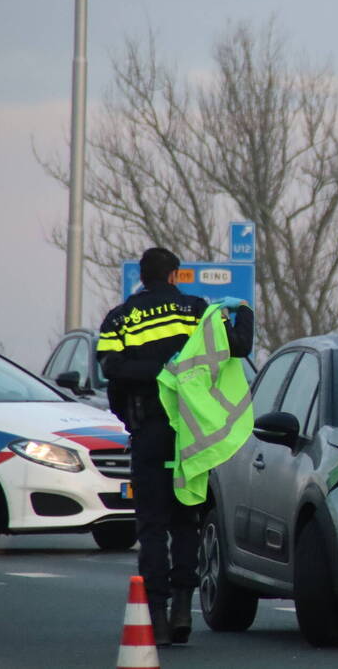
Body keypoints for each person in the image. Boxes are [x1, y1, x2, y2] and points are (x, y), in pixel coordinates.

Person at [97, 247, 254, 646]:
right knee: (187, 522)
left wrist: (150, 381)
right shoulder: (197, 310)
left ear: (142, 277)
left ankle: (157, 617)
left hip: (148, 430)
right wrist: (244, 313)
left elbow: (111, 368)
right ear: (174, 276)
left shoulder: (119, 318)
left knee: (151, 525)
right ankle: (184, 607)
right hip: (192, 434)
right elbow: (236, 348)